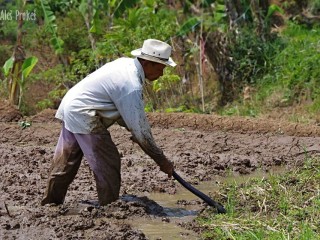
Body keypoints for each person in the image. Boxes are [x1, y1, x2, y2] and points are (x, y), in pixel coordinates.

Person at [41, 39, 176, 206]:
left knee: (66, 161)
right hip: (85, 113)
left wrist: (134, 129)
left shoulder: (125, 64)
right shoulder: (131, 84)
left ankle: (50, 204)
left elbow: (118, 107)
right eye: (160, 68)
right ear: (148, 63)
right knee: (108, 161)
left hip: (73, 105)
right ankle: (109, 207)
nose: (161, 74)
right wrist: (162, 161)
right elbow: (141, 133)